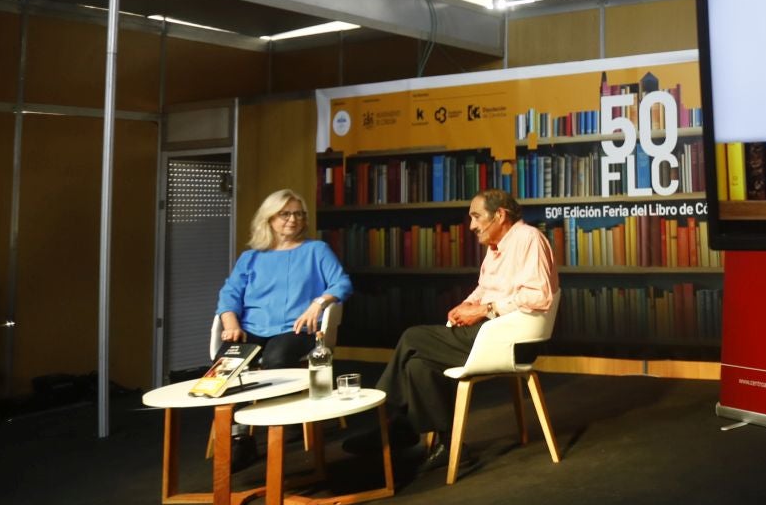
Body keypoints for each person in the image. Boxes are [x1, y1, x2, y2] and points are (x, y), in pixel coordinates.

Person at [354, 189, 558, 473]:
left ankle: (387, 422)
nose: (471, 225)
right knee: (418, 364)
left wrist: (484, 309)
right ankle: (450, 446)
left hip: (515, 338)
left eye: (476, 217)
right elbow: (485, 288)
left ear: (500, 215)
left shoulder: (528, 239)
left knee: (413, 336)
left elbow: (539, 296)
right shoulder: (497, 248)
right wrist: (467, 304)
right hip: (490, 332)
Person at [215, 188, 353, 466]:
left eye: (298, 214)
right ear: (269, 218)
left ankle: (273, 426)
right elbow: (230, 293)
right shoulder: (251, 257)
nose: (293, 219)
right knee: (227, 364)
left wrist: (318, 302)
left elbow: (342, 283)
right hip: (252, 327)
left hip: (296, 329)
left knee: (277, 358)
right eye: (285, 214)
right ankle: (239, 436)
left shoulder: (316, 250)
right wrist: (230, 322)